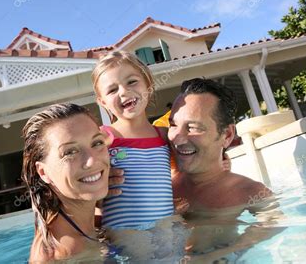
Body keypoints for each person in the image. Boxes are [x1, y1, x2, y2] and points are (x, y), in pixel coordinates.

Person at [168, 78, 284, 258]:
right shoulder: (162, 190)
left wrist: (219, 257)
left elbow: (275, 221)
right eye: (173, 124)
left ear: (227, 135)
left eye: (192, 127)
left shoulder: (248, 191)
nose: (177, 137)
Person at [92, 51, 174, 230]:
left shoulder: (164, 135)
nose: (124, 91)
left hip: (167, 232)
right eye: (112, 90)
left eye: (132, 82)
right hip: (123, 237)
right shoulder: (102, 139)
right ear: (103, 102)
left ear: (148, 84)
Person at [21, 103, 111, 261]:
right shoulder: (64, 254)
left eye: (97, 143)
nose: (92, 161)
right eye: (70, 152)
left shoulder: (90, 222)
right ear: (43, 172)